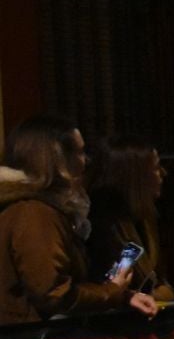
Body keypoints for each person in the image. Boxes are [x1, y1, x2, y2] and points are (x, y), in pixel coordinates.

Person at [0, 114, 159, 324]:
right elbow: (53, 293)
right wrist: (112, 292)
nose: (86, 161)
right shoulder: (34, 212)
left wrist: (123, 296)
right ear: (56, 159)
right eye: (80, 152)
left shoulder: (45, 208)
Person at [85, 134, 174, 301]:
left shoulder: (143, 218)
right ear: (134, 177)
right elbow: (110, 285)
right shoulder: (102, 229)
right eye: (155, 168)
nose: (163, 173)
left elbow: (160, 281)